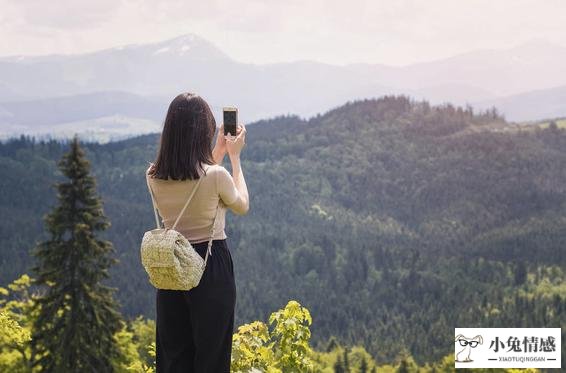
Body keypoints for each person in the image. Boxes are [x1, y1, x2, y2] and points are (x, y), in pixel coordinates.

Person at [145, 92, 249, 372]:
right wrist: (235, 159)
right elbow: (241, 204)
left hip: (172, 265)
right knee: (211, 356)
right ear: (202, 131)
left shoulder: (153, 175)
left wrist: (218, 153)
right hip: (210, 264)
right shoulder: (217, 176)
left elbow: (194, 180)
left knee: (174, 357)